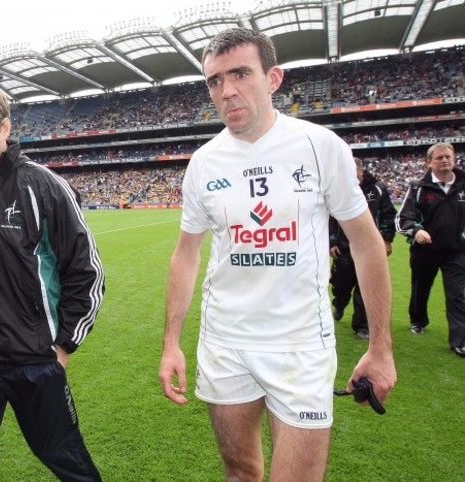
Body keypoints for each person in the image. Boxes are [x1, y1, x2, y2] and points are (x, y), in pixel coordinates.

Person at [158, 28, 397, 481]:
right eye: (214, 80)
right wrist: (171, 343)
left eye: (240, 74)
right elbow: (185, 255)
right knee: (240, 472)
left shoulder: (320, 146)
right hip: (225, 343)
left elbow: (366, 244)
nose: (227, 90)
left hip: (300, 346)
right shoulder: (204, 163)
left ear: (273, 78)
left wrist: (380, 347)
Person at [0, 82, 105, 481]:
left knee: (62, 454)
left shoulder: (43, 187)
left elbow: (86, 271)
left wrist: (63, 345)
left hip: (33, 355)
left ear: (4, 127)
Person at [395, 142, 465, 357]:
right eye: (439, 158)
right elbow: (402, 218)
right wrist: (416, 231)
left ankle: (459, 341)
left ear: (454, 158)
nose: (445, 160)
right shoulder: (418, 187)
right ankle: (418, 320)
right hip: (425, 251)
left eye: (448, 156)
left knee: (458, 294)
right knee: (420, 289)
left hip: (456, 251)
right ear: (429, 162)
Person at [329, 157, 397, 339]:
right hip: (344, 249)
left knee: (364, 286)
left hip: (368, 248)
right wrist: (332, 242)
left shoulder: (378, 189)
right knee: (340, 285)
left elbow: (388, 215)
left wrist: (386, 239)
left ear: (361, 171)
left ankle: (361, 325)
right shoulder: (339, 189)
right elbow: (330, 218)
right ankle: (340, 304)